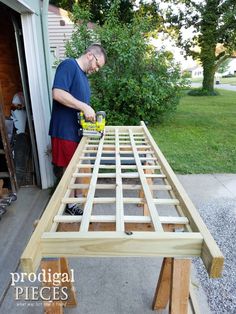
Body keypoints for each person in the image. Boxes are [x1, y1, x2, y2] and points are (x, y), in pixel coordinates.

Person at [49, 43, 107, 215]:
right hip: (65, 132)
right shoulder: (69, 65)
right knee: (70, 171)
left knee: (76, 169)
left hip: (76, 132)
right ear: (90, 55)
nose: (96, 69)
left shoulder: (82, 76)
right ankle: (67, 205)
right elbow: (58, 93)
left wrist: (90, 123)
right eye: (97, 64)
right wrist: (84, 106)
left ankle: (70, 203)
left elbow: (78, 108)